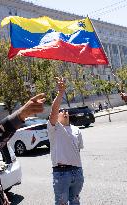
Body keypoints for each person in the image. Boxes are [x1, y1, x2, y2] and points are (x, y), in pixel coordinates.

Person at [48, 77, 84, 205]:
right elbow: (53, 111)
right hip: (61, 174)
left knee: (75, 201)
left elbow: (77, 150)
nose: (65, 112)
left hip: (77, 172)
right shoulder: (54, 128)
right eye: (61, 111)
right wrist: (61, 93)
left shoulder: (76, 130)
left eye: (66, 110)